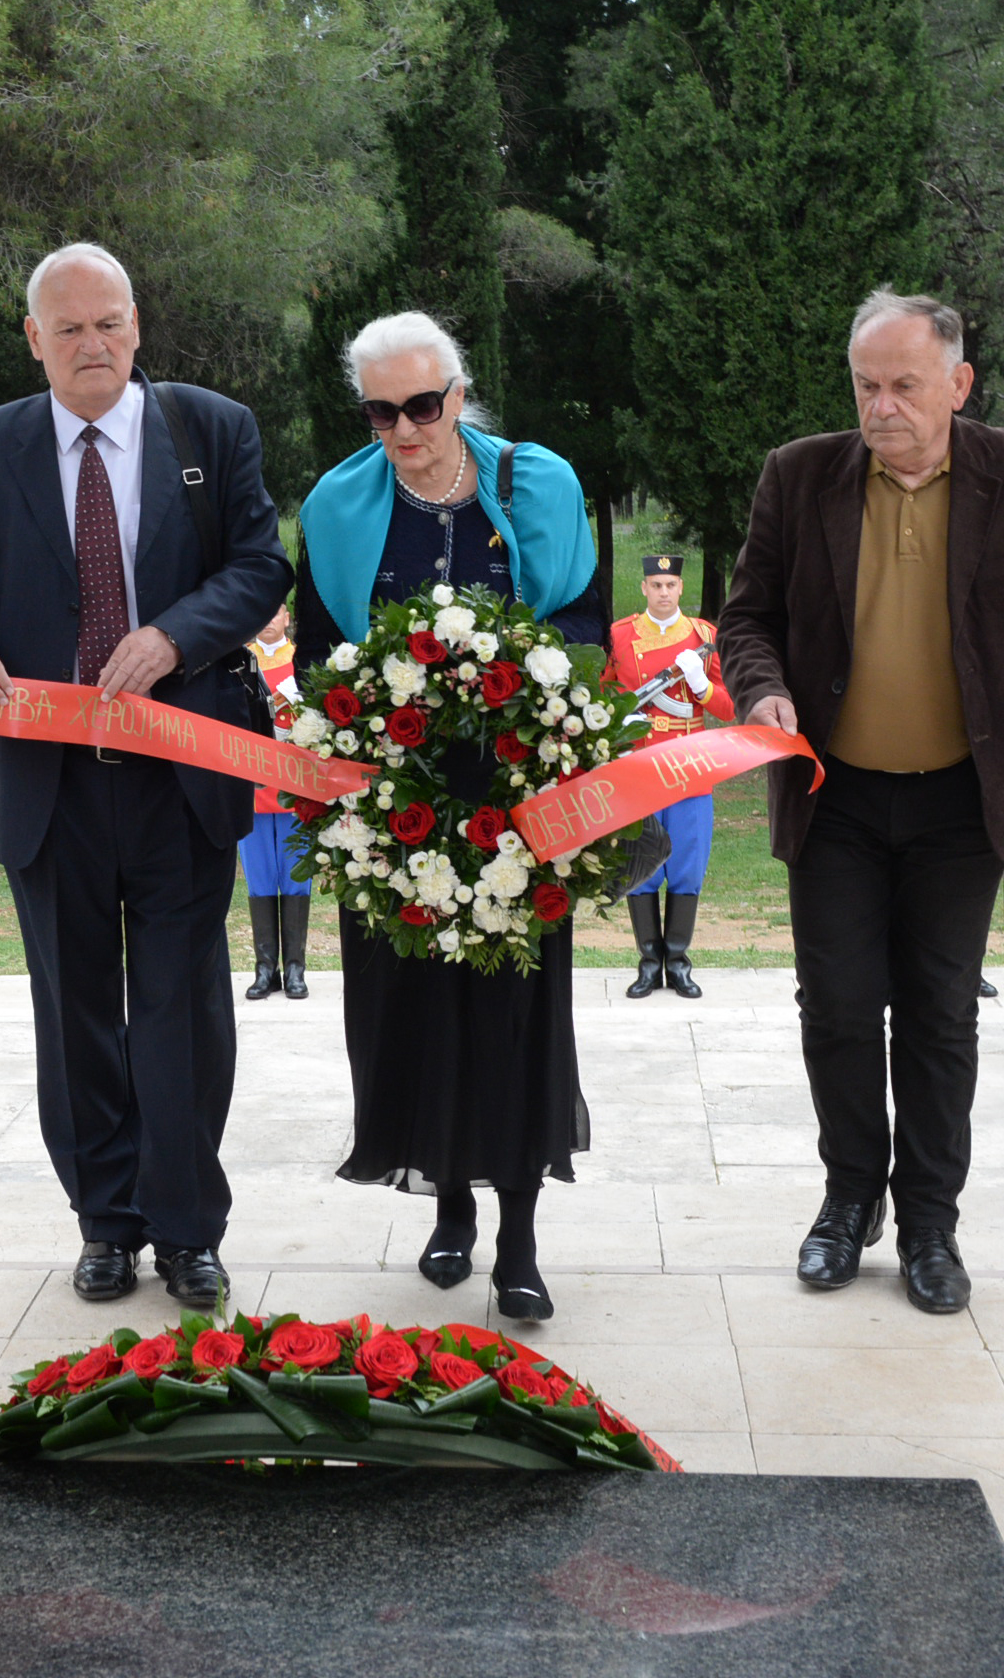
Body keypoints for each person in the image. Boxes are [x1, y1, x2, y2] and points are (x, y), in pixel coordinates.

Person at [719, 287, 1004, 1316]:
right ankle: (846, 1201)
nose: (881, 406)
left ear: (956, 383)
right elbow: (746, 615)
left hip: (959, 803)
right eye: (865, 385)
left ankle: (930, 1222)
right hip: (833, 796)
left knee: (938, 1016)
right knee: (839, 1008)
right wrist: (760, 687)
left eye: (903, 384)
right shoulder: (798, 475)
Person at [0, 243, 290, 1310]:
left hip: (180, 774)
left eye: (111, 323)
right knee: (73, 1007)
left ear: (138, 325)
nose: (95, 345)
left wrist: (173, 637)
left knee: (180, 1007)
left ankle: (185, 1228)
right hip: (48, 782)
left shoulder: (209, 429)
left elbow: (260, 568)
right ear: (34, 340)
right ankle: (105, 1223)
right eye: (70, 328)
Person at [294, 311, 601, 1323]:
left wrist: (514, 691)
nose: (404, 430)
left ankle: (516, 1234)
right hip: (396, 811)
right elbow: (311, 654)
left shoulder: (536, 485)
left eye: (421, 406)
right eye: (381, 412)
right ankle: (448, 1209)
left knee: (512, 1017)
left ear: (457, 396)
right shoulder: (340, 507)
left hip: (517, 802)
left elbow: (583, 630)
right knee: (414, 1015)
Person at [608, 552, 734, 1000]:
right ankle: (648, 963)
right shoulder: (621, 635)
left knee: (687, 866)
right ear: (644, 588)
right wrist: (614, 719)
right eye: (655, 585)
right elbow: (604, 692)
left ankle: (678, 962)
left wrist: (701, 686)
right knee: (640, 866)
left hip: (689, 769)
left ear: (682, 588)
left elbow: (730, 706)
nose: (663, 592)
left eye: (670, 585)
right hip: (639, 769)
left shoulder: (705, 637)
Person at [239, 603, 310, 1001]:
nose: (267, 619)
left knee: (296, 877)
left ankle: (296, 968)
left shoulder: (305, 661)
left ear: (287, 617)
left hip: (295, 789)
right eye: (259, 611)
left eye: (275, 611)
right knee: (260, 877)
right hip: (250, 786)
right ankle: (266, 968)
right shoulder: (241, 663)